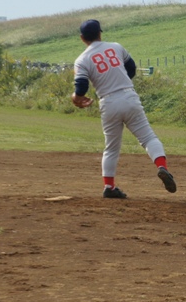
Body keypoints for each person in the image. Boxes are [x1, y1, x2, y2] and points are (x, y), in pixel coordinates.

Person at [71, 19, 176, 198]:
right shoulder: (116, 47)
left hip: (108, 102)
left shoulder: (81, 60)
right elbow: (132, 68)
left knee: (111, 148)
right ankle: (162, 167)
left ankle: (109, 187)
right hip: (128, 96)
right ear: (100, 33)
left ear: (82, 38)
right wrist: (119, 81)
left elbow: (81, 86)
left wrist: (76, 98)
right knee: (148, 137)